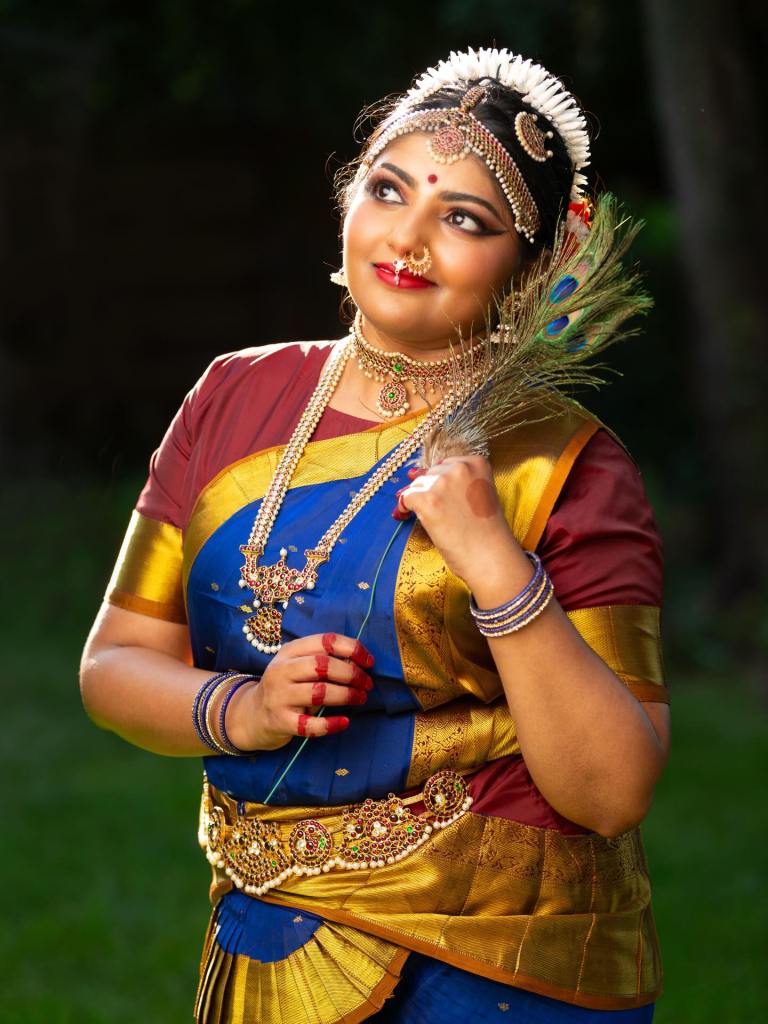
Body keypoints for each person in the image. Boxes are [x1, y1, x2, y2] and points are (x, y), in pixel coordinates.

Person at [80, 46, 670, 1024]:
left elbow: (611, 790)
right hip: (265, 922)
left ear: (529, 269)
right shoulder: (235, 395)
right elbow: (115, 665)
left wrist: (494, 563)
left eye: (467, 219)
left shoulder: (565, 464)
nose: (410, 236)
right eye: (390, 189)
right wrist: (243, 708)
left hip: (505, 954)